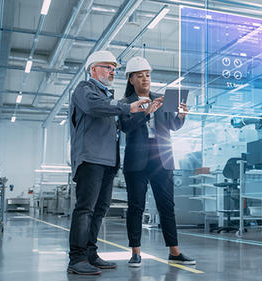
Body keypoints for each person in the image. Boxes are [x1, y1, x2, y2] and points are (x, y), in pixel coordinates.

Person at [67, 50, 150, 275]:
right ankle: (77, 258)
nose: (112, 72)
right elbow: (94, 108)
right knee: (85, 209)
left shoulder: (106, 96)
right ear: (93, 69)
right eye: (107, 67)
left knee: (99, 209)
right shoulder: (85, 89)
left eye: (114, 69)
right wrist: (128, 106)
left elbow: (120, 125)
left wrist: (144, 111)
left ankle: (90, 254)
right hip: (90, 158)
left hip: (107, 161)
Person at [119, 56, 196, 267]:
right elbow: (125, 128)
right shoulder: (125, 104)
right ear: (131, 80)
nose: (145, 79)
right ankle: (135, 252)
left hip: (162, 157)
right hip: (137, 161)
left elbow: (172, 126)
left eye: (148, 75)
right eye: (140, 76)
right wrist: (146, 113)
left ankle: (174, 252)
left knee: (167, 206)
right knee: (136, 206)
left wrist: (181, 116)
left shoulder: (162, 99)